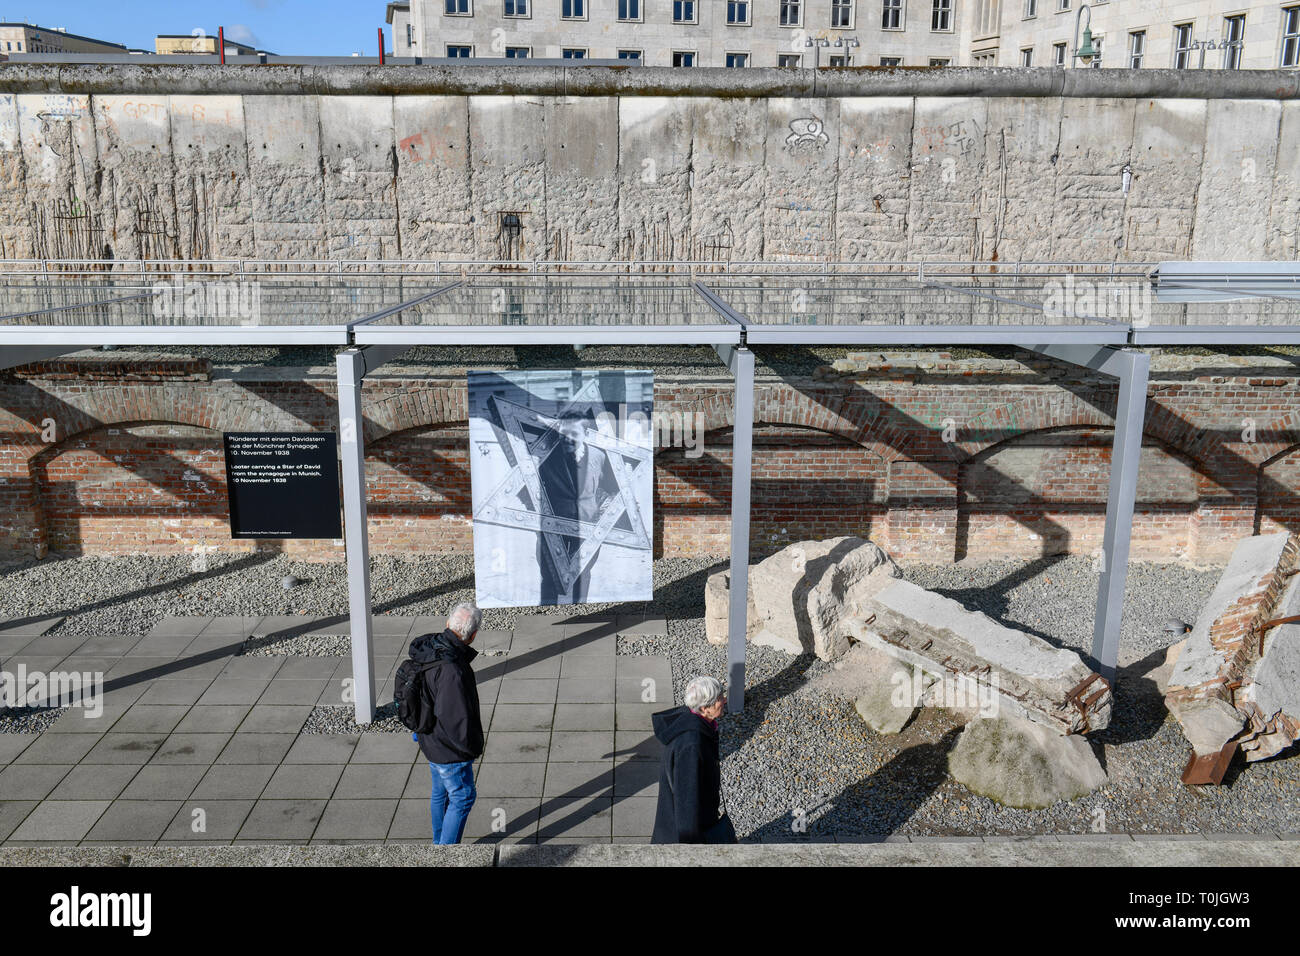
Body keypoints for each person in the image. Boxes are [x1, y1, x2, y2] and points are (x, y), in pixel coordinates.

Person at [410, 601, 484, 845]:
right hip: (446, 747)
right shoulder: (454, 669)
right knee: (462, 797)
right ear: (472, 636)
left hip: (427, 736)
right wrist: (470, 748)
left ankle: (438, 845)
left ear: (447, 624)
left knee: (440, 792)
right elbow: (456, 717)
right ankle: (446, 854)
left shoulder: (429, 647)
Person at [536, 410, 620, 604]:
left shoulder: (600, 457)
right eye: (563, 434)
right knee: (549, 575)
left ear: (585, 434)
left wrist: (603, 516)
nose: (568, 439)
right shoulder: (546, 456)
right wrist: (541, 513)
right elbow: (529, 490)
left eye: (574, 434)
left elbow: (613, 490)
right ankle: (547, 615)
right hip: (552, 527)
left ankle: (579, 611)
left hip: (588, 526)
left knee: (582, 574)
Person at [651, 675, 728, 844]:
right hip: (685, 836)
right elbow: (687, 801)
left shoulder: (689, 721)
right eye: (720, 698)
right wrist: (692, 847)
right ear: (705, 708)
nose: (724, 700)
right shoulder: (692, 745)